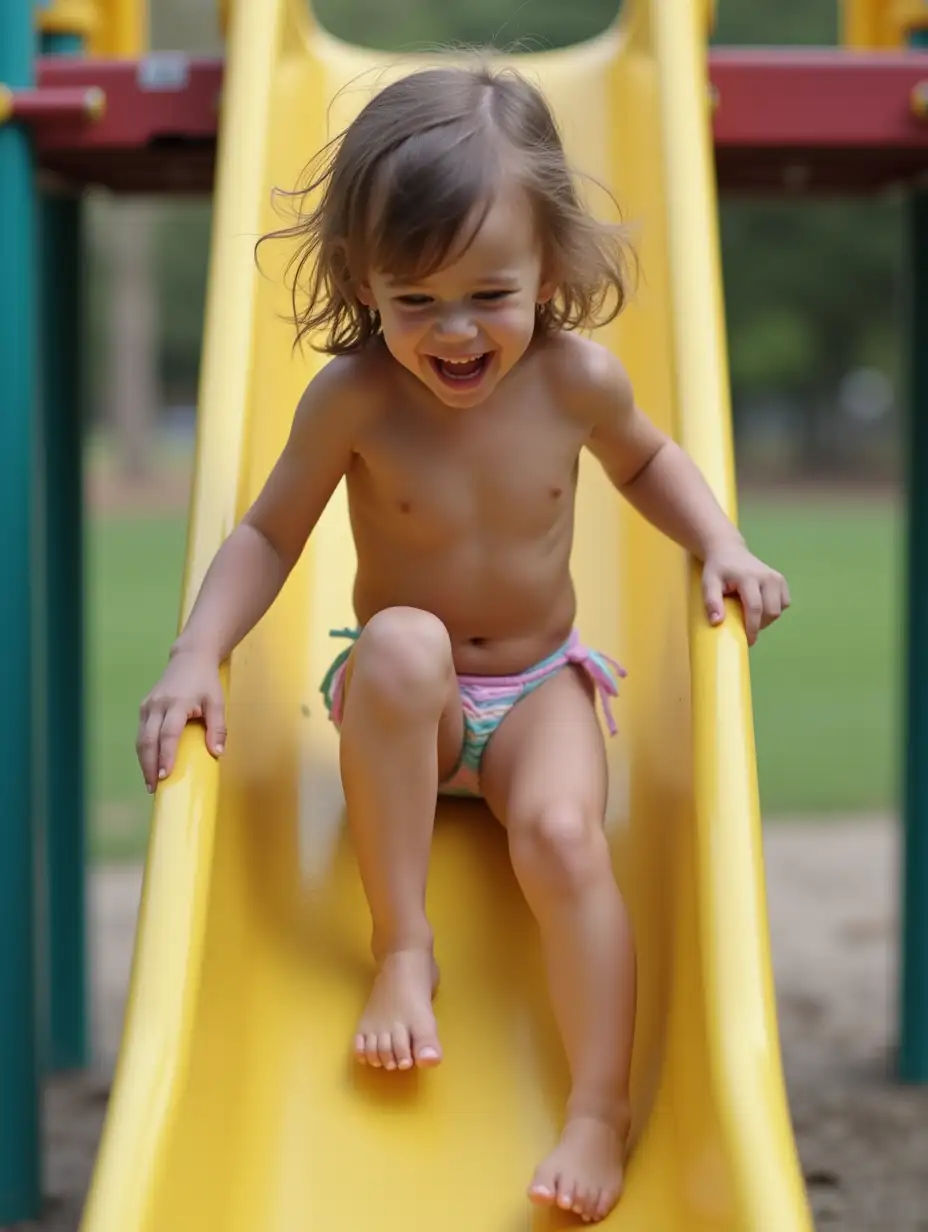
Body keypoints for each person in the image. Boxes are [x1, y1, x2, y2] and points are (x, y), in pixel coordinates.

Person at [135, 62, 790, 1224]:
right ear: (362, 285)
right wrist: (196, 652)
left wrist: (720, 545)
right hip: (416, 716)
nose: (452, 333)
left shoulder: (577, 380)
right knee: (395, 642)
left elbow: (648, 462)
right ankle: (402, 944)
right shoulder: (353, 402)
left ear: (550, 272)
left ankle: (596, 1104)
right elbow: (268, 532)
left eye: (488, 293)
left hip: (540, 691)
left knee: (558, 833)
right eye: (413, 301)